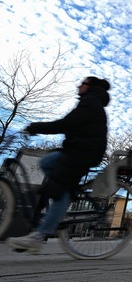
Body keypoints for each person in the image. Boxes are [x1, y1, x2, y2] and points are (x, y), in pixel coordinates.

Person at [6, 76, 110, 254]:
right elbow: (73, 126)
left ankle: (39, 236)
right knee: (48, 161)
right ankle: (61, 194)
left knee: (62, 188)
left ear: (89, 86)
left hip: (84, 153)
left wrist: (35, 127)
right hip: (78, 149)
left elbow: (67, 124)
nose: (78, 86)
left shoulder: (91, 102)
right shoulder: (90, 102)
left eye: (82, 83)